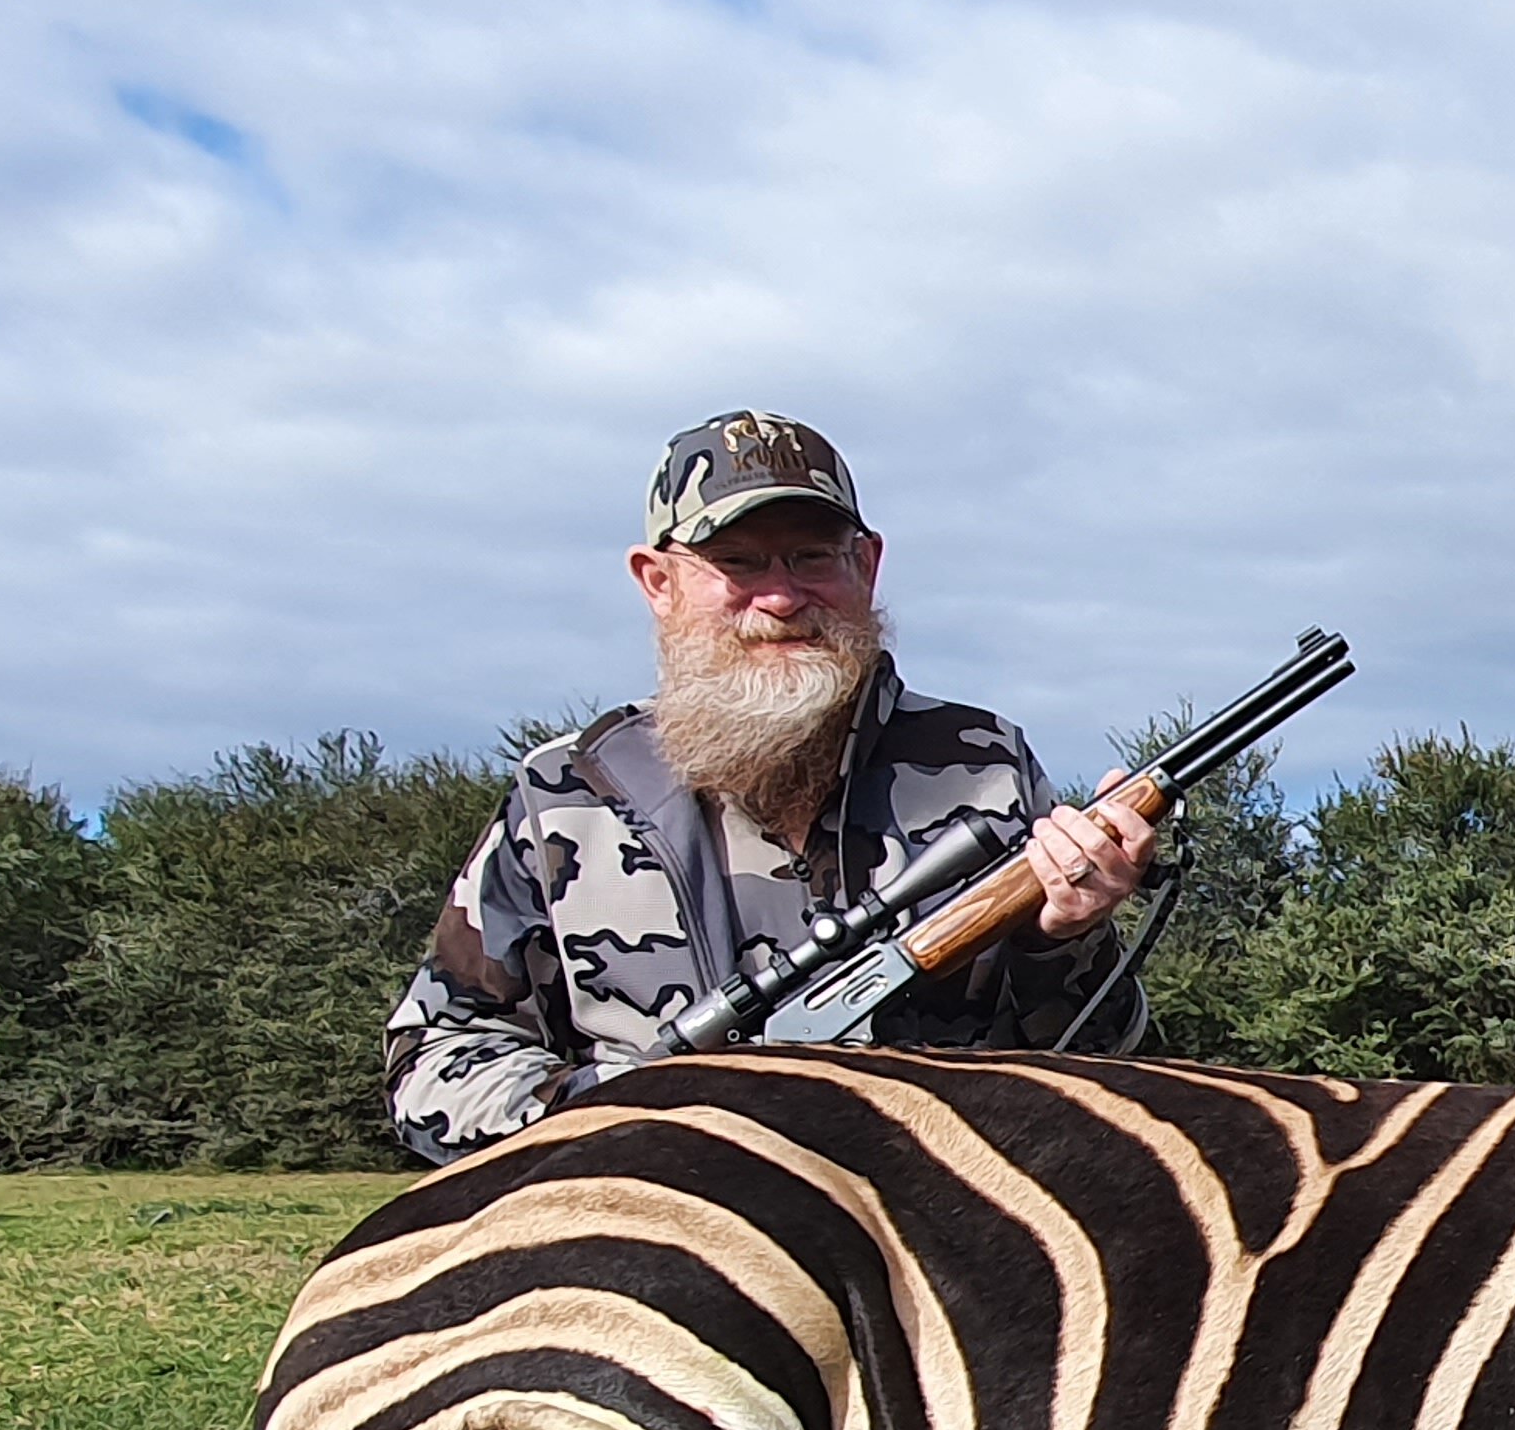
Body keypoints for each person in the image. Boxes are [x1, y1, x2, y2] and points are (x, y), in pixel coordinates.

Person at [384, 411, 1159, 1164]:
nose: (782, 599)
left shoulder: (984, 765)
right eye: (741, 563)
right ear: (658, 581)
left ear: (867, 565)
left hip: (934, 1244)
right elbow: (434, 1061)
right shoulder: (568, 790)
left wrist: (1065, 938)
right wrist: (632, 1110)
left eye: (812, 557)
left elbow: (1098, 1061)